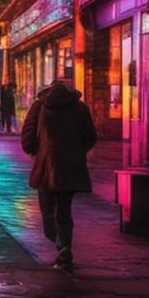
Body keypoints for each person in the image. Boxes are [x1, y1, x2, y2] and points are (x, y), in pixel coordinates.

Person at [21, 79, 98, 273]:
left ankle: (61, 247)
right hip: (71, 167)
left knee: (47, 213)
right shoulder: (79, 108)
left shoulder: (39, 106)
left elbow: (27, 135)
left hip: (45, 166)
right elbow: (91, 136)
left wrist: (35, 151)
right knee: (64, 211)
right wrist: (77, 152)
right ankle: (65, 250)